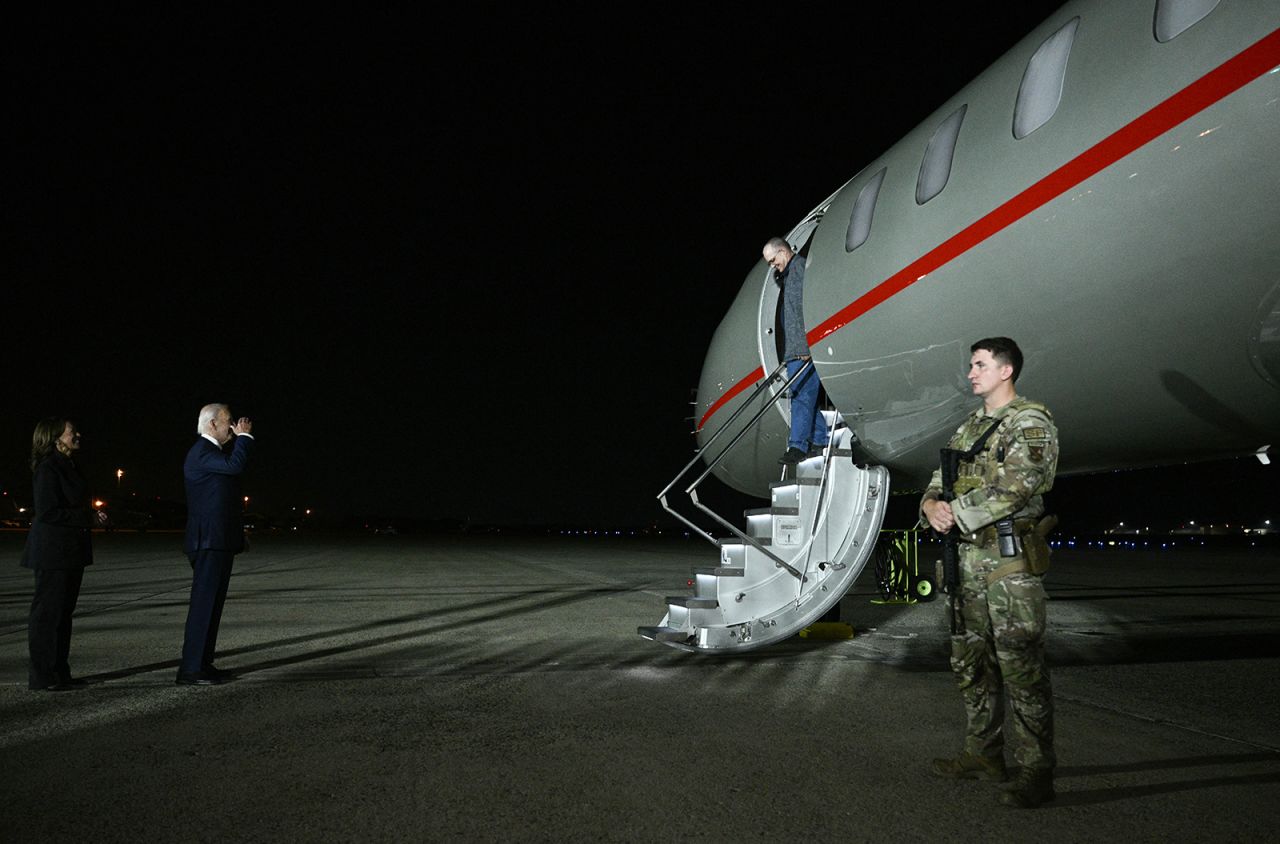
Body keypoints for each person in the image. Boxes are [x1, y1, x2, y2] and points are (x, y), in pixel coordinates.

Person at [920, 337, 1059, 809]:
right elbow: (937, 483)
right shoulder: (969, 429)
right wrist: (930, 507)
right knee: (971, 664)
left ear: (1006, 370)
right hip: (966, 564)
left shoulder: (1030, 422)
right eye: (971, 365)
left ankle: (1036, 770)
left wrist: (952, 512)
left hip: (1009, 564)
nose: (970, 373)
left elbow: (1016, 488)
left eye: (979, 365)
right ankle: (983, 755)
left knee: (1020, 667)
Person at [20, 417, 109, 691]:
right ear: (56, 439)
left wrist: (92, 516)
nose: (78, 435)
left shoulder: (69, 465)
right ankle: (43, 676)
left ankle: (60, 672)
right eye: (72, 432)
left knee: (63, 614)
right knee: (48, 615)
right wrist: (87, 517)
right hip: (52, 553)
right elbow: (47, 511)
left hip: (69, 551)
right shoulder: (48, 468)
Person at [177, 403, 255, 686]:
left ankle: (203, 664)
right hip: (207, 543)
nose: (233, 427)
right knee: (204, 606)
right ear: (212, 425)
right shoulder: (202, 452)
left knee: (213, 606)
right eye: (229, 421)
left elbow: (223, 502)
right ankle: (190, 670)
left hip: (218, 541)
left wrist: (237, 534)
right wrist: (245, 437)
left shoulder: (212, 455)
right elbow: (235, 466)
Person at [762, 236, 829, 464]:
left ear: (782, 251)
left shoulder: (800, 269)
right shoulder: (790, 276)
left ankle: (797, 447)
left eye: (773, 260)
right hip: (794, 350)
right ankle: (820, 439)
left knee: (801, 396)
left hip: (802, 349)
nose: (773, 266)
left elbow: (807, 308)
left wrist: (805, 345)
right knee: (803, 396)